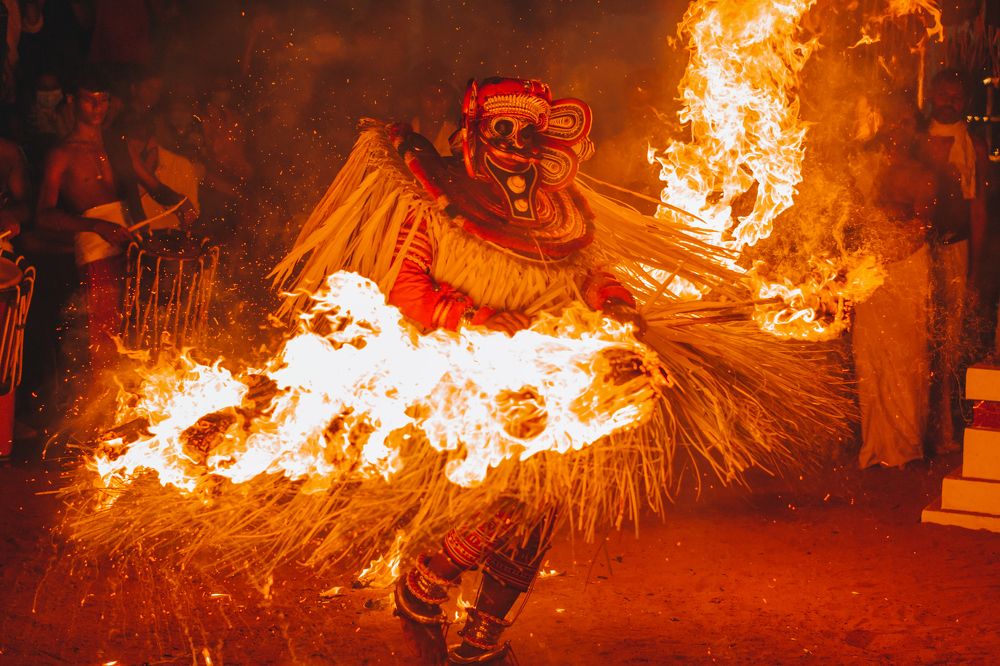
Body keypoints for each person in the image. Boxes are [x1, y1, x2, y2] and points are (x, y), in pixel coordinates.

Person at [274, 77, 852, 663]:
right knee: (515, 498)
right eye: (504, 129)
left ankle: (481, 638)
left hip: (550, 371)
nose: (518, 144)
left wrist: (617, 302)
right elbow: (404, 285)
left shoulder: (563, 212)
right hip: (462, 373)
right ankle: (426, 581)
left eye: (529, 132)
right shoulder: (434, 199)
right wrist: (474, 316)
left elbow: (591, 275)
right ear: (473, 132)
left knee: (545, 502)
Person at [853, 93, 936, 468]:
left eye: (905, 123)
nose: (896, 130)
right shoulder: (867, 168)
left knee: (904, 358)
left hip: (906, 271)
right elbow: (856, 217)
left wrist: (887, 246)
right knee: (870, 356)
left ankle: (904, 445)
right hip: (870, 271)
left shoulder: (925, 174)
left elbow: (920, 227)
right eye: (891, 121)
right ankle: (875, 445)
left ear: (915, 130)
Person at [36, 70, 134, 378]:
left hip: (130, 247)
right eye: (89, 100)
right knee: (103, 336)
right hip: (95, 255)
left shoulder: (116, 145)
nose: (97, 107)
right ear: (72, 101)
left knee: (133, 329)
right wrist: (96, 226)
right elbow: (43, 215)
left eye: (102, 100)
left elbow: (145, 187)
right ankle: (101, 408)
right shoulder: (62, 153)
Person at [921, 69, 990, 452]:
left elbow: (977, 208)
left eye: (957, 96)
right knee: (919, 340)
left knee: (948, 340)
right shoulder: (915, 139)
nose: (950, 101)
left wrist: (975, 265)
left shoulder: (974, 145)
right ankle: (914, 430)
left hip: (956, 248)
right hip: (914, 253)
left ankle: (944, 431)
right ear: (931, 94)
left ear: (965, 102)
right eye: (944, 93)